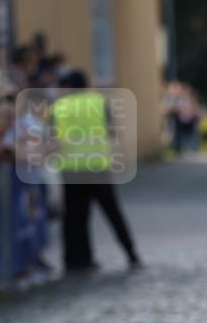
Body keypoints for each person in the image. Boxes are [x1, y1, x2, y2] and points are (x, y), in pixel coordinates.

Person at [49, 70, 142, 272]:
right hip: (98, 167)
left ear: (70, 87)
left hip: (71, 169)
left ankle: (76, 259)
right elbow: (112, 129)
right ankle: (131, 253)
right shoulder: (99, 101)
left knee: (75, 217)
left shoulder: (58, 106)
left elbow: (52, 139)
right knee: (112, 212)